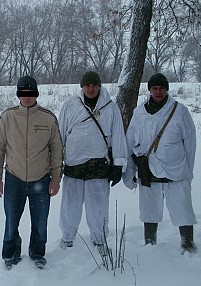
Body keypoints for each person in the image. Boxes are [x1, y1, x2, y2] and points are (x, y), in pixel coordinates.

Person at [0, 75, 63, 269]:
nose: (27, 97)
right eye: (24, 93)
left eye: (31, 92)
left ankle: (37, 253)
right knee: (11, 221)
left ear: (36, 94)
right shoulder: (8, 117)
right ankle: (11, 254)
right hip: (14, 178)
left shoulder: (47, 118)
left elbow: (56, 150)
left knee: (40, 222)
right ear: (18, 95)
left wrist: (55, 179)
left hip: (41, 178)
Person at [122, 73, 197, 253]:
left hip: (176, 170)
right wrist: (129, 172)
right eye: (154, 88)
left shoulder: (180, 112)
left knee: (182, 209)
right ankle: (150, 244)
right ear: (149, 90)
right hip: (148, 170)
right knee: (149, 210)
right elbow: (130, 143)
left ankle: (187, 244)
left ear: (166, 89)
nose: (158, 92)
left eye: (161, 88)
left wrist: (188, 171)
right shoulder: (139, 113)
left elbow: (190, 144)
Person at [58, 71, 127, 250]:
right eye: (87, 85)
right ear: (82, 86)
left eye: (94, 85)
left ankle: (99, 238)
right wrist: (57, 161)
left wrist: (118, 164)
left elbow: (118, 136)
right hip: (74, 163)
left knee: (98, 204)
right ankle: (67, 237)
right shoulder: (70, 105)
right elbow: (60, 135)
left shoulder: (110, 108)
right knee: (70, 203)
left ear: (99, 86)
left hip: (98, 164)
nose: (91, 88)